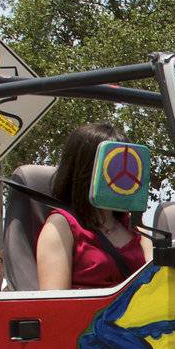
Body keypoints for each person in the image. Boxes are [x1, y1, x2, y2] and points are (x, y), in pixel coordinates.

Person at [35, 123, 152, 292]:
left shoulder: (137, 229)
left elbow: (157, 284)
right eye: (115, 166)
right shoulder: (60, 226)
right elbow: (56, 307)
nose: (123, 174)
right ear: (87, 170)